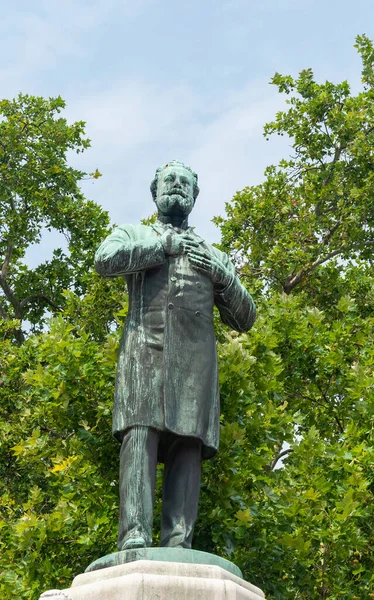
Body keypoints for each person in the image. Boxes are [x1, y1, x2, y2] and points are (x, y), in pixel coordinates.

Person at [95, 160, 256, 551]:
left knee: (188, 446)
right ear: (155, 191)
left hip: (195, 365)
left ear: (195, 196)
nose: (178, 187)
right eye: (170, 180)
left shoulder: (213, 255)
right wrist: (161, 247)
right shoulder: (134, 233)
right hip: (143, 355)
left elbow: (245, 318)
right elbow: (104, 260)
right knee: (140, 437)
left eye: (186, 183)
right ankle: (133, 534)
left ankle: (178, 543)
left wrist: (225, 277)